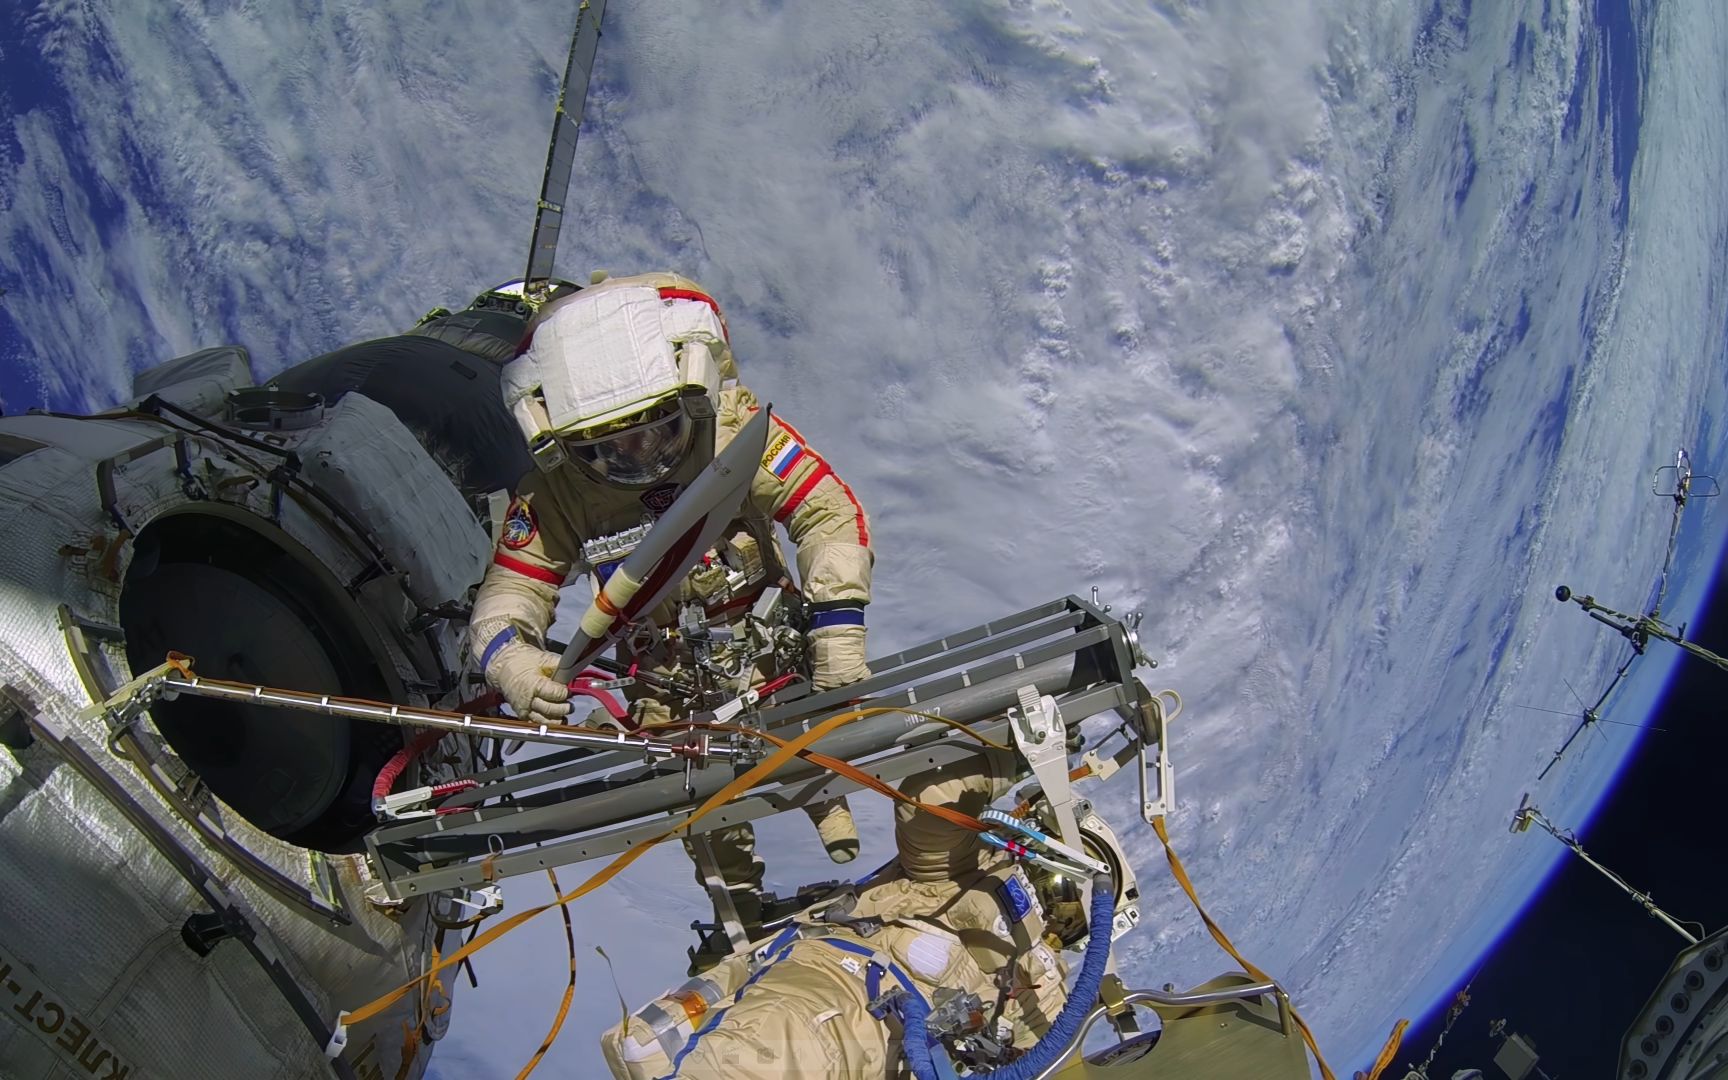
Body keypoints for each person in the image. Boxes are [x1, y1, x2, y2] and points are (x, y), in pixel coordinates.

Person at [467, 271, 870, 928]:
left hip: (768, 647)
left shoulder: (739, 431)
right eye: (607, 446)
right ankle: (737, 914)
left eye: (657, 431)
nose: (636, 455)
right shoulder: (556, 495)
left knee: (804, 742)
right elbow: (510, 592)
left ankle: (827, 804)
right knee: (703, 808)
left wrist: (839, 623)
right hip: (667, 680)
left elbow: (825, 513)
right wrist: (511, 657)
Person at [599, 753, 1081, 1079]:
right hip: (797, 985)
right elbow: (936, 795)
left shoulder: (1038, 984)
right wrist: (1027, 748)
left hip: (846, 1030)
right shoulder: (947, 873)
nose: (1053, 902)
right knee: (642, 1046)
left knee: (727, 1055)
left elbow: (1039, 1057)